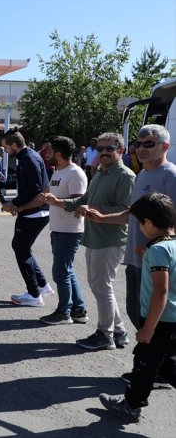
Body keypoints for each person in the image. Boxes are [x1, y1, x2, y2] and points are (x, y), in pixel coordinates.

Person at [84, 125, 176, 383]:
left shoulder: (170, 175)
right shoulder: (143, 175)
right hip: (137, 258)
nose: (143, 149)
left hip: (156, 261)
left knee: (154, 318)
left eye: (150, 144)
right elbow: (131, 214)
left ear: (164, 146)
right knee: (136, 312)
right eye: (140, 143)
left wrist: (153, 245)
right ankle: (158, 367)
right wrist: (103, 217)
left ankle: (159, 369)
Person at [45, 132, 135, 350]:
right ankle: (119, 331)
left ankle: (106, 335)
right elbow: (83, 200)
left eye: (109, 148)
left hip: (111, 239)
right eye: (101, 148)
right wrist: (58, 201)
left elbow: (127, 211)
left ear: (120, 151)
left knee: (102, 287)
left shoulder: (125, 176)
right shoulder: (101, 173)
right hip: (94, 237)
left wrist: (95, 209)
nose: (103, 152)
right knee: (99, 286)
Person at [99, 193, 176, 422]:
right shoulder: (168, 245)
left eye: (141, 223)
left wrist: (147, 329)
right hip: (172, 320)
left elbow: (160, 292)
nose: (141, 228)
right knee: (166, 366)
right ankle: (132, 402)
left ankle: (130, 406)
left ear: (149, 223)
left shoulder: (158, 251)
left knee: (144, 365)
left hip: (159, 321)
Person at [36, 136, 89, 325]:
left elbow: (79, 204)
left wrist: (54, 201)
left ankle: (63, 312)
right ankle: (79, 310)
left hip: (70, 231)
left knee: (60, 272)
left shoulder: (75, 173)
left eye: (49, 151)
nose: (46, 154)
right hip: (58, 229)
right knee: (67, 270)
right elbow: (50, 194)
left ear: (58, 154)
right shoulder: (58, 172)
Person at [0, 129, 53, 307]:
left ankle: (34, 295)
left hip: (35, 212)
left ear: (14, 145)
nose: (5, 151)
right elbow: (26, 185)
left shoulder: (28, 158)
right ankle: (42, 285)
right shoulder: (27, 156)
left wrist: (14, 203)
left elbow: (35, 189)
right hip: (36, 211)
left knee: (21, 249)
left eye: (6, 147)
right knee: (23, 248)